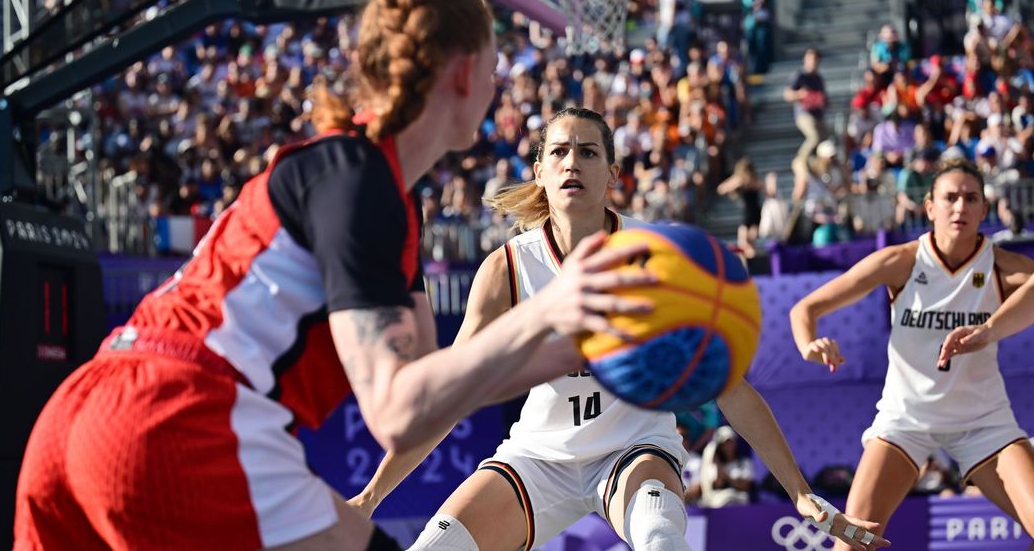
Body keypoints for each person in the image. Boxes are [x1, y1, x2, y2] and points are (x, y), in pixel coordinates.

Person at [13, 0, 658, 550]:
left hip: (81, 414)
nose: (496, 85)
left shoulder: (367, 187)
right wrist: (558, 318)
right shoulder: (363, 181)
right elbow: (399, 411)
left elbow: (428, 399)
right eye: (492, 67)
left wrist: (556, 344)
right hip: (178, 416)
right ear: (464, 73)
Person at [349, 108, 889, 551]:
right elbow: (449, 397)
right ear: (539, 170)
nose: (572, 162)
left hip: (632, 449)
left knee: (661, 540)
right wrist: (370, 498)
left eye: (588, 152)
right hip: (539, 455)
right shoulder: (506, 268)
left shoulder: (660, 258)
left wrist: (799, 492)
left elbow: (729, 387)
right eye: (559, 151)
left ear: (612, 174)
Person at [790, 158, 1034, 550]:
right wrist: (809, 345)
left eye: (972, 198)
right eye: (950, 197)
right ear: (930, 207)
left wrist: (989, 331)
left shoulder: (1001, 266)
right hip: (906, 419)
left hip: (985, 422)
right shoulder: (901, 260)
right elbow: (804, 309)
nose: (960, 207)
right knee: (855, 540)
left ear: (984, 210)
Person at [716, 157, 762, 257]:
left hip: (755, 213)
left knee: (747, 242)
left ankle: (752, 263)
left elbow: (763, 188)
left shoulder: (754, 181)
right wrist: (736, 184)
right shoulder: (739, 180)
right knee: (743, 243)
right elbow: (721, 189)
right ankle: (749, 262)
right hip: (747, 214)